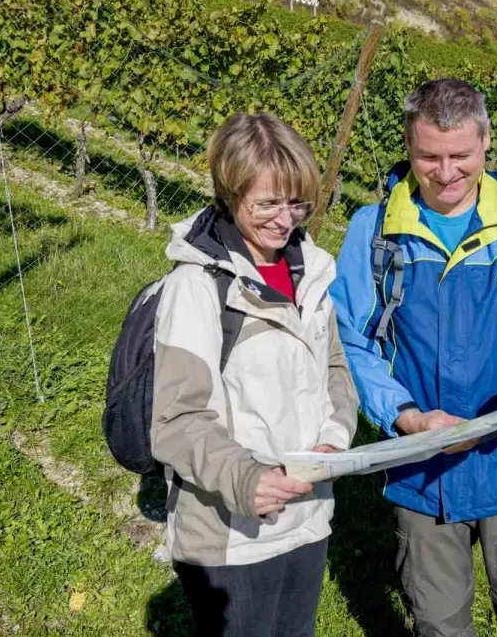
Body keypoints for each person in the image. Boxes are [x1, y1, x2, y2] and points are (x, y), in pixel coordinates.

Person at [330, 78, 497, 637]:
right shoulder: (372, 234)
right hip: (423, 466)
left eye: (461, 156)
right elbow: (350, 342)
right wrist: (406, 417)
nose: (446, 173)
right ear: (408, 145)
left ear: (486, 142)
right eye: (429, 156)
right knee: (440, 623)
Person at [150, 112, 358, 637]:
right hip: (230, 534)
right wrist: (246, 479)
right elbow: (177, 420)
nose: (285, 220)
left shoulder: (312, 274)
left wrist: (333, 442)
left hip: (307, 518)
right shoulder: (197, 288)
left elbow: (335, 369)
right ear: (229, 193)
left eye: (297, 203)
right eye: (267, 203)